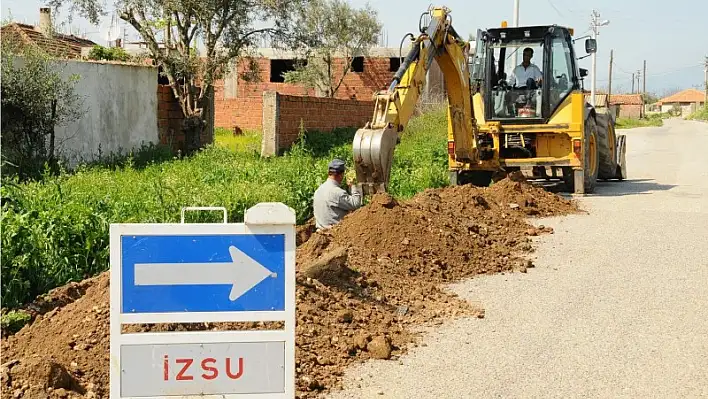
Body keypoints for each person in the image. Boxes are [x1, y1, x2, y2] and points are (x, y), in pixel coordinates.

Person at [313, 158, 362, 230]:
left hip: (321, 231)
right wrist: (353, 186)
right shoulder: (337, 192)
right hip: (334, 233)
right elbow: (356, 204)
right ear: (340, 175)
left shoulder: (318, 190)